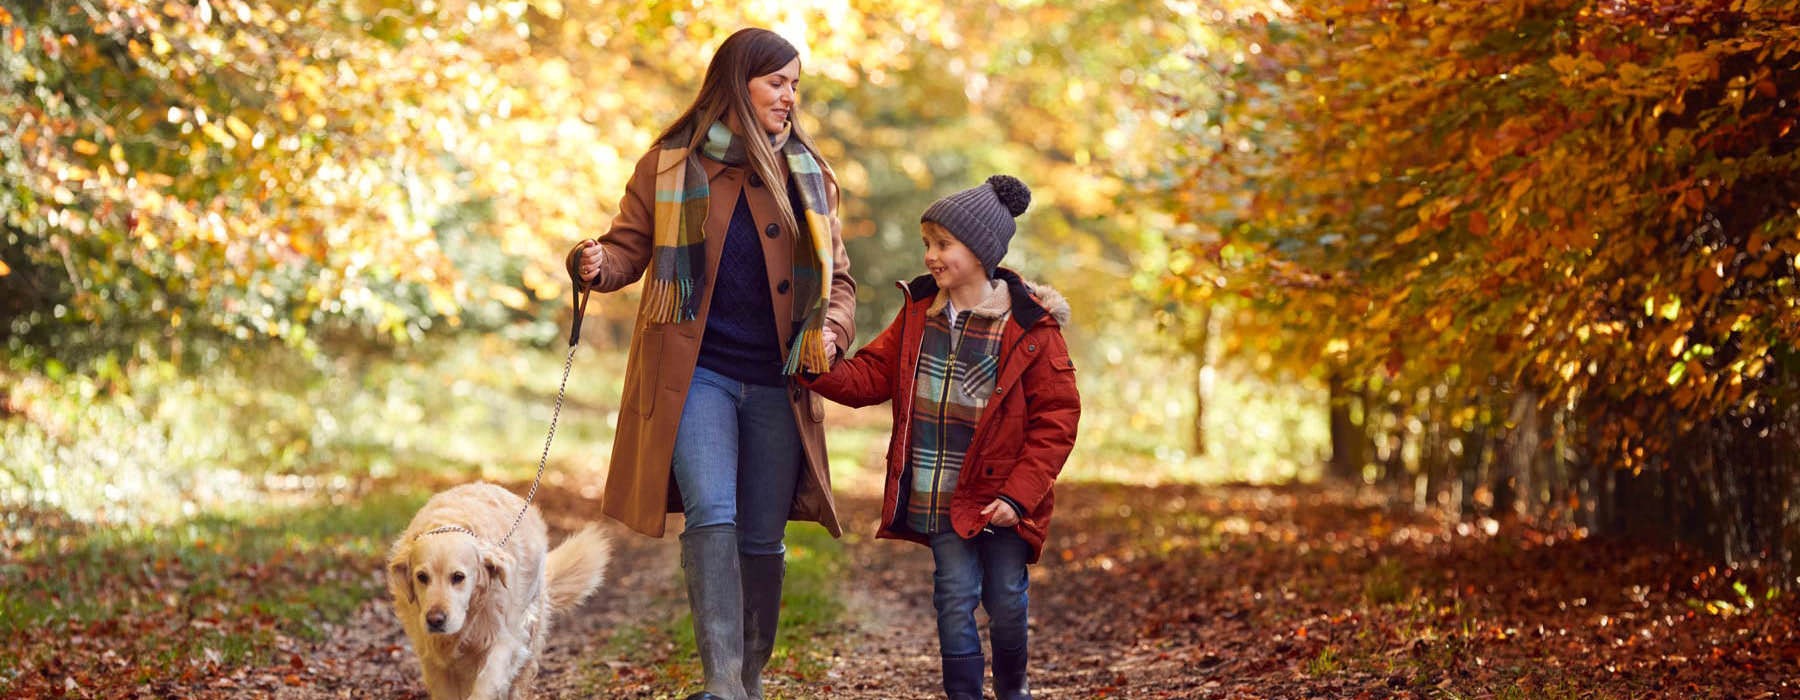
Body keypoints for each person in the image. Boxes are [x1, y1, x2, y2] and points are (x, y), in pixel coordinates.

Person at [566, 27, 856, 700]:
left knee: (761, 536)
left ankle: (750, 677)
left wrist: (833, 332)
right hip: (696, 376)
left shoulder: (810, 176)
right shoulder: (669, 166)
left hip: (779, 382)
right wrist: (592, 264)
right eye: (776, 83)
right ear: (737, 84)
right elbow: (626, 250)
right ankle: (722, 682)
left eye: (794, 85)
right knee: (711, 515)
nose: (789, 97)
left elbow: (840, 280)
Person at [803, 175, 1080, 700]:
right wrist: (815, 368)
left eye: (943, 244)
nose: (930, 255)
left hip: (1003, 498)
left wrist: (1017, 496)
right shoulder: (918, 315)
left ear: (980, 250)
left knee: (1006, 600)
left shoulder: (1029, 329)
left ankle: (1013, 688)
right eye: (927, 243)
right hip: (943, 496)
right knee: (952, 596)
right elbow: (869, 377)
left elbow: (1057, 420)